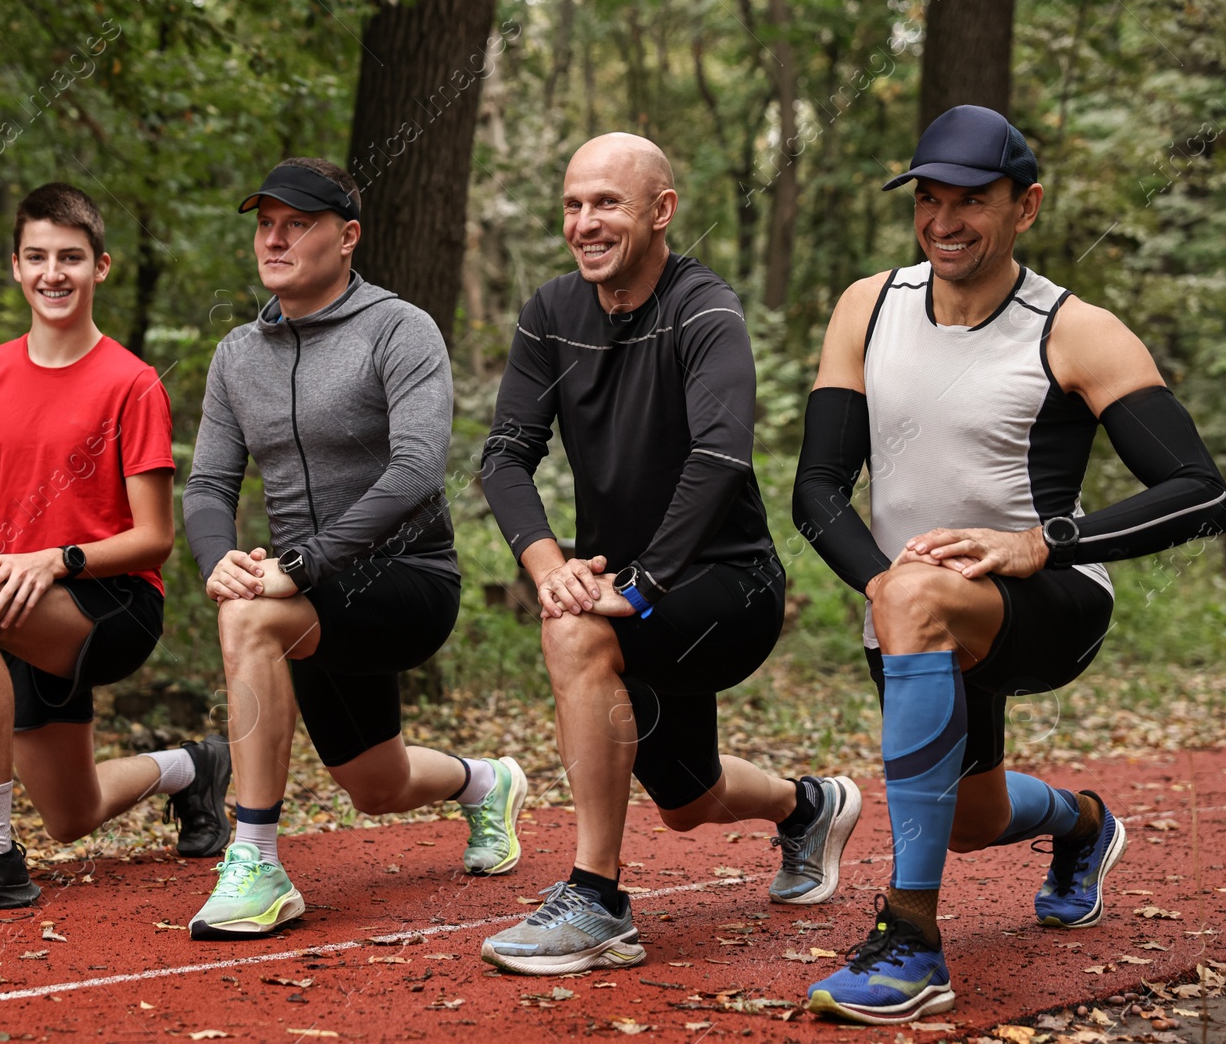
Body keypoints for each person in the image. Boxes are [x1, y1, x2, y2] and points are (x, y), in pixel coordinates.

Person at [794, 105, 1226, 1024]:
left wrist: (1041, 543)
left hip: (1052, 598)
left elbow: (1200, 490)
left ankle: (910, 939)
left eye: (972, 201)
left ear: (1025, 207)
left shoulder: (1075, 329)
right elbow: (818, 491)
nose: (944, 221)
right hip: (913, 607)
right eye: (929, 200)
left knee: (920, 604)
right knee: (974, 818)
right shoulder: (867, 306)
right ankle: (1083, 822)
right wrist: (885, 586)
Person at [476, 133, 862, 976]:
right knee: (691, 799)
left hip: (728, 585)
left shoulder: (705, 309)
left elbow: (719, 457)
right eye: (574, 203)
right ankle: (810, 807)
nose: (585, 221)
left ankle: (597, 900)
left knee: (576, 635)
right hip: (622, 587)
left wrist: (641, 587)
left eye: (607, 202)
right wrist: (552, 568)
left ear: (662, 209)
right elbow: (505, 454)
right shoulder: (550, 314)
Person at [180, 157, 527, 939]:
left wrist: (298, 565)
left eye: (295, 224)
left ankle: (256, 859)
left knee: (249, 619)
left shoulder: (399, 329)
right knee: (376, 783)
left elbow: (415, 471)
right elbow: (206, 484)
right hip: (305, 588)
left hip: (407, 578)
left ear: (347, 237)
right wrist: (217, 559)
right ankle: (487, 782)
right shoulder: (238, 354)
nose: (274, 238)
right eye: (265, 224)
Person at [0, 183, 233, 917]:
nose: (54, 272)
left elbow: (155, 538)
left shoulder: (132, 383)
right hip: (16, 603)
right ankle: (192, 767)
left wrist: (55, 560)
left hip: (112, 602)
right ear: (15, 266)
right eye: (38, 256)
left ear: (100, 267)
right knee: (71, 815)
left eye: (71, 257)